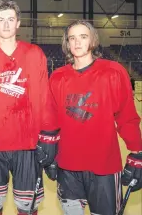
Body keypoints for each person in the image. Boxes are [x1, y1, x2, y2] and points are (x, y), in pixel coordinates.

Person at [0, 0, 59, 215]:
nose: (6, 24)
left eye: (10, 19)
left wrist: (48, 136)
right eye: (1, 20)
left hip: (28, 146)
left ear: (18, 23)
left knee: (27, 207)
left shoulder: (35, 54)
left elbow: (45, 98)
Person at [49, 20, 142, 215]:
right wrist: (49, 152)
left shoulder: (113, 72)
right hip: (67, 166)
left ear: (92, 40)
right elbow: (51, 119)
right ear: (67, 43)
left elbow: (127, 117)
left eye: (83, 37)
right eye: (72, 38)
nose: (77, 42)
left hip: (104, 167)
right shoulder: (57, 77)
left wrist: (137, 152)